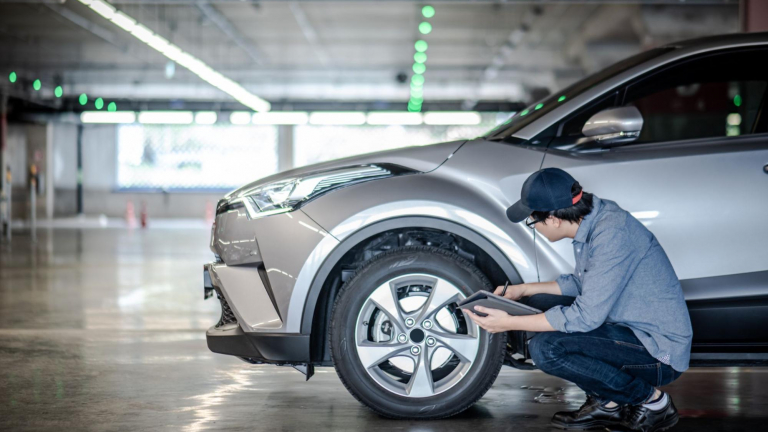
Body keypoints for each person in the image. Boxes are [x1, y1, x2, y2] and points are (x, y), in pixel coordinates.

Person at [466, 168, 692, 432]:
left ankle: (652, 402)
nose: (534, 227)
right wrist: (522, 290)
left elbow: (586, 316)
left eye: (532, 221)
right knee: (537, 304)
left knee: (547, 349)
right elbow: (585, 284)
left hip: (658, 352)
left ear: (552, 219)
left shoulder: (612, 235)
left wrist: (510, 322)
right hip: (629, 332)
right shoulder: (596, 219)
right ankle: (607, 403)